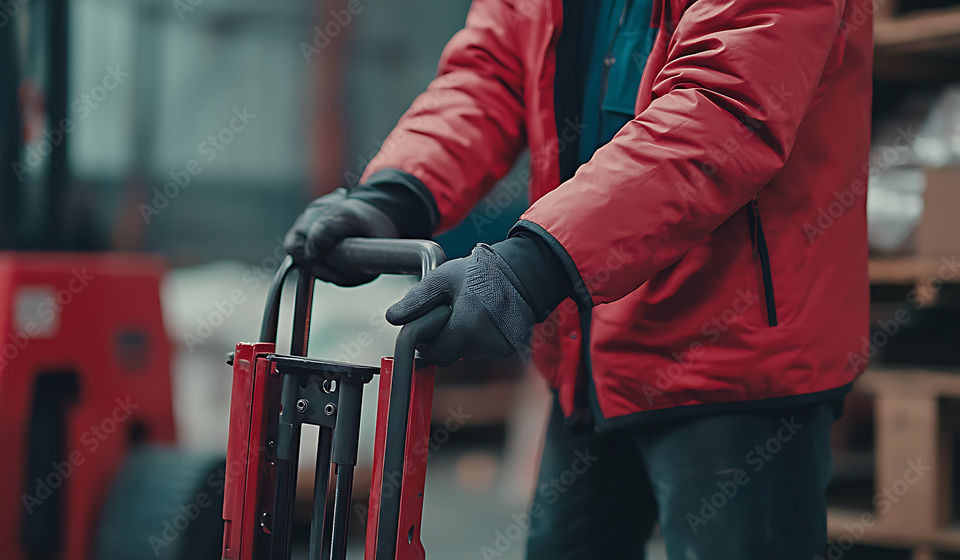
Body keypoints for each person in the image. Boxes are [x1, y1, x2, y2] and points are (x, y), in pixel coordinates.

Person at [285, 0, 872, 556]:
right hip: (590, 347)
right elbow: (490, 74)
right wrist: (395, 195)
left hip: (733, 357)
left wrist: (534, 265)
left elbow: (725, 107)